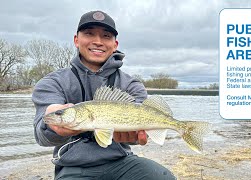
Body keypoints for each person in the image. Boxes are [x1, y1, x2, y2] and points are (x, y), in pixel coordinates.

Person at [32, 10, 176, 180]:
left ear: (115, 44)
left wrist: (135, 138)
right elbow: (42, 136)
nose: (98, 41)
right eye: (89, 33)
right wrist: (53, 126)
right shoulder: (52, 82)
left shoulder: (131, 84)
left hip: (122, 162)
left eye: (106, 36)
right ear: (76, 40)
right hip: (74, 166)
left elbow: (140, 135)